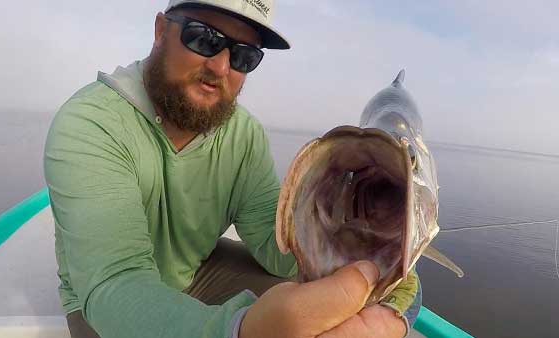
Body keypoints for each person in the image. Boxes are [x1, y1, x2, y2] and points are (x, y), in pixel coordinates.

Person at [43, 1, 421, 337]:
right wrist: (240, 330)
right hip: (101, 308)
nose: (221, 67)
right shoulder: (91, 124)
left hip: (197, 272)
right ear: (160, 31)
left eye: (244, 56)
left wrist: (371, 243)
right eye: (204, 39)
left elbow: (277, 248)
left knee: (381, 295)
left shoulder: (242, 135)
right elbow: (113, 283)